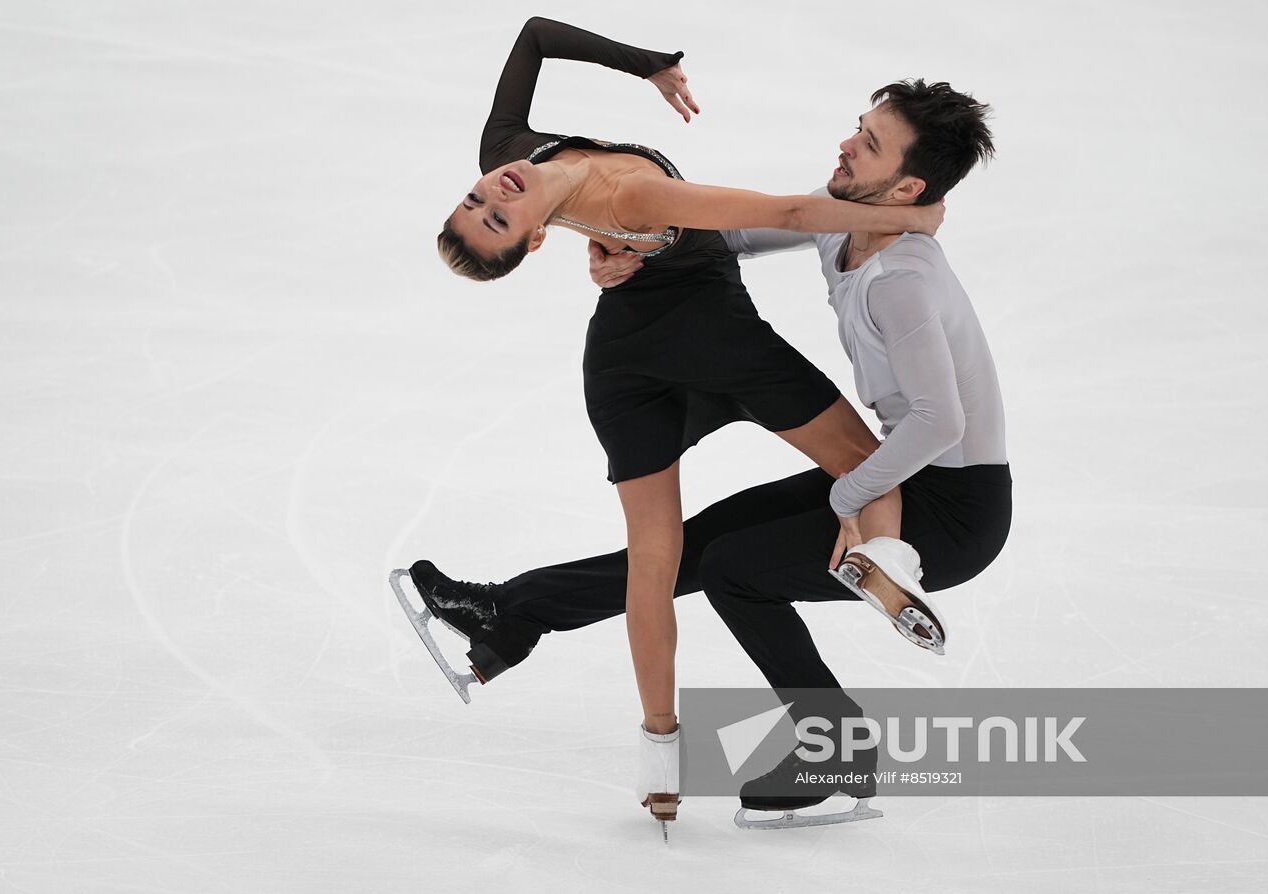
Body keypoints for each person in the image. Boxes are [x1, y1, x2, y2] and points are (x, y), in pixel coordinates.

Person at [398, 74, 1010, 830]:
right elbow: (729, 235)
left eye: (870, 143)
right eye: (859, 126)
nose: (847, 143)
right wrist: (628, 247)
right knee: (701, 543)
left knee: (731, 570)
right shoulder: (844, 225)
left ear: (908, 188)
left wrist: (850, 496)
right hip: (917, 479)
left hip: (953, 510)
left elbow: (939, 422)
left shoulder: (901, 281)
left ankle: (840, 740)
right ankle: (510, 614)